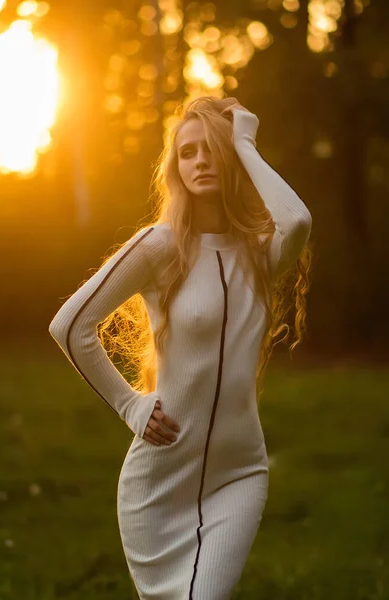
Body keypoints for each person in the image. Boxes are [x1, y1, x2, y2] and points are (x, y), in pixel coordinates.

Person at [49, 95, 312, 599]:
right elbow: (71, 325)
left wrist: (245, 143)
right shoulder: (159, 246)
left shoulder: (258, 255)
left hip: (239, 473)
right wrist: (129, 404)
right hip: (160, 483)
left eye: (213, 149)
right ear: (174, 167)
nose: (200, 161)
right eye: (188, 152)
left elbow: (297, 221)